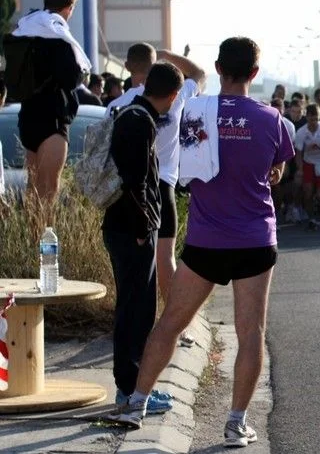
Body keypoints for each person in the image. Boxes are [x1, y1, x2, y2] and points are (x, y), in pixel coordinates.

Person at [106, 37, 295, 449]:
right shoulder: (271, 118)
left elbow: (190, 172)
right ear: (255, 73)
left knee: (171, 322)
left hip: (206, 241)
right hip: (254, 239)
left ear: (219, 66)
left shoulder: (194, 110)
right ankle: (235, 423)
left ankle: (136, 403)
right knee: (251, 332)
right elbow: (275, 168)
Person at [102, 62, 184, 418]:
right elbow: (137, 184)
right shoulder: (139, 121)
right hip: (131, 230)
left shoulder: (132, 113)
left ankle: (134, 386)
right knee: (136, 311)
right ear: (173, 95)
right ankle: (131, 390)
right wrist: (142, 230)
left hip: (124, 227)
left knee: (135, 309)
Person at [107, 44, 205, 322]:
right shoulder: (176, 96)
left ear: (128, 68)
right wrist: (168, 54)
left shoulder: (117, 105)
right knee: (165, 259)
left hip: (124, 189)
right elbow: (199, 73)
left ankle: (131, 319)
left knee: (129, 264)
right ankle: (174, 324)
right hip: (162, 186)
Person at [12, 0, 89, 211]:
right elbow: (71, 76)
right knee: (49, 191)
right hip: (53, 120)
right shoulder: (58, 34)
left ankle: (33, 242)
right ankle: (45, 246)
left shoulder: (27, 30)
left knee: (33, 187)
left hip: (28, 117)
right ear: (69, 7)